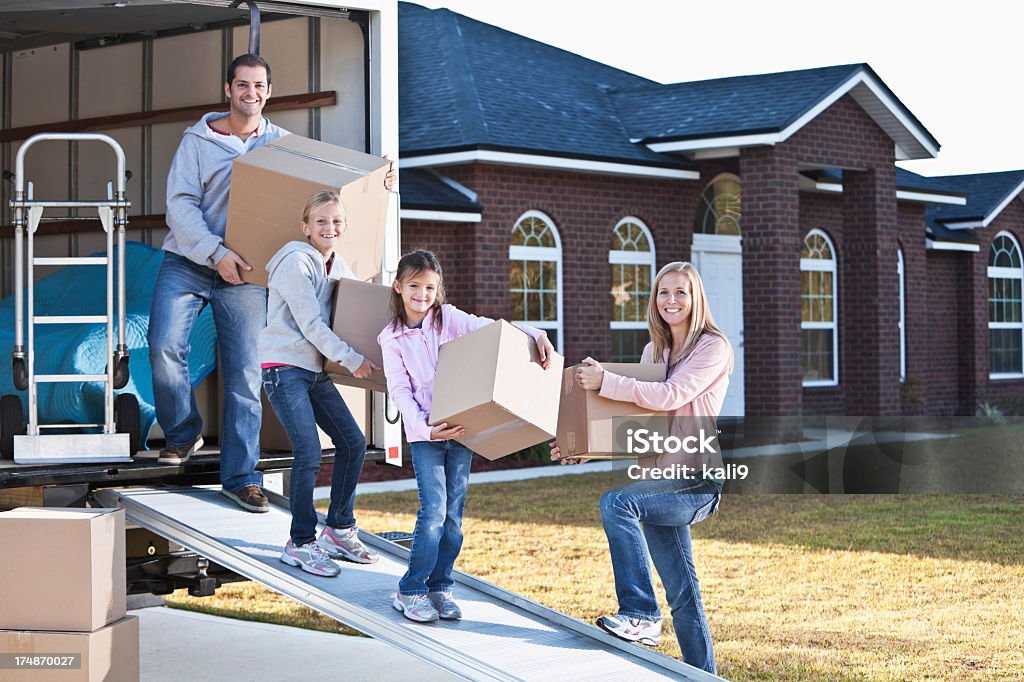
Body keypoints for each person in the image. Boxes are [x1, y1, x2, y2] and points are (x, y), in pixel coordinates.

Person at [551, 261, 733, 674]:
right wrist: (584, 448)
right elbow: (641, 421)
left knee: (618, 504)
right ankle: (703, 674)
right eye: (663, 292)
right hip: (657, 480)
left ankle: (640, 613)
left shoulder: (712, 347)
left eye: (680, 292)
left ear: (696, 298)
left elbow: (671, 394)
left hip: (695, 480)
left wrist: (606, 381)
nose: (671, 300)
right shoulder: (653, 351)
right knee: (684, 593)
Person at [378, 250, 555, 622]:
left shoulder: (448, 319)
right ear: (398, 287)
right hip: (426, 434)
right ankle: (410, 589)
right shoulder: (391, 339)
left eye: (429, 287)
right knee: (433, 513)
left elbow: (492, 328)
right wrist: (425, 428)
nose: (422, 295)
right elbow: (399, 391)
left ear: (437, 289)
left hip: (461, 429)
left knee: (454, 517)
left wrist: (535, 333)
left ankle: (440, 587)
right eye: (414, 286)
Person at [148, 54, 284, 513]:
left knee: (245, 372)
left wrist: (383, 176)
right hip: (190, 260)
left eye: (259, 86)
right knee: (165, 345)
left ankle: (241, 477)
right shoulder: (198, 142)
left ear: (268, 91)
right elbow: (180, 207)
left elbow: (322, 189)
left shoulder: (281, 145)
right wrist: (215, 252)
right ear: (228, 89)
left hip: (245, 272)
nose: (251, 93)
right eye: (243, 84)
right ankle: (184, 435)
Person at [260, 190, 386, 576]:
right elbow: (311, 324)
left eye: (336, 221)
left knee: (352, 441)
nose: (329, 227)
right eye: (321, 221)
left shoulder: (338, 265)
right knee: (309, 450)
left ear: (345, 227)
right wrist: (354, 361)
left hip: (313, 369)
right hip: (283, 367)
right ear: (305, 227)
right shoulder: (295, 263)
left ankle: (338, 529)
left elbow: (356, 310)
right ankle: (299, 542)